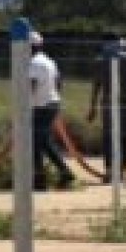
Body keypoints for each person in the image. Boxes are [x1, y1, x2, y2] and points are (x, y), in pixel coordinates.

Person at [88, 31, 126, 182]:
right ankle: (121, 172)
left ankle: (109, 171)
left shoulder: (99, 60)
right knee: (124, 136)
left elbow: (96, 85)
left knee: (108, 136)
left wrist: (93, 107)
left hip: (107, 103)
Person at [28, 31, 75, 191]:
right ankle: (44, 178)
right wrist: (52, 96)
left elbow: (31, 86)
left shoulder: (32, 63)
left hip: (39, 107)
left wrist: (24, 106)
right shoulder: (49, 61)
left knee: (37, 143)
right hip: (52, 104)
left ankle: (48, 177)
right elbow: (59, 82)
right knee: (41, 142)